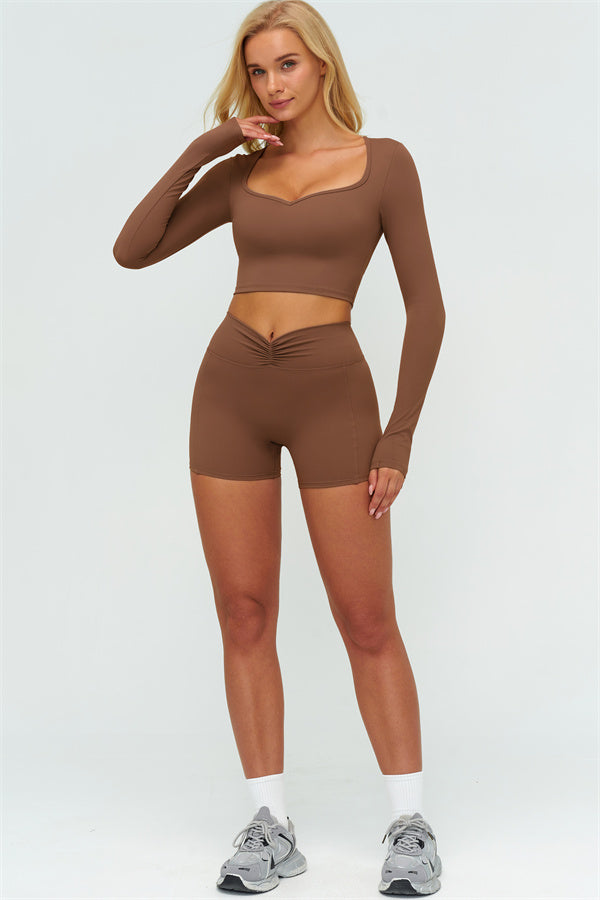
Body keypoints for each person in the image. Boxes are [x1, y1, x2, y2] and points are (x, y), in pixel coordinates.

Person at [113, 0, 445, 894]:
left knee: (365, 617)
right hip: (230, 391)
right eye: (257, 70)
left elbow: (425, 306)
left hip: (333, 397)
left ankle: (410, 826)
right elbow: (131, 251)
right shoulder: (242, 172)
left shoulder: (384, 163)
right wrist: (204, 150)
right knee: (245, 612)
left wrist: (399, 434)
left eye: (287, 64)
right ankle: (270, 827)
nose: (272, 85)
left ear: (322, 64)